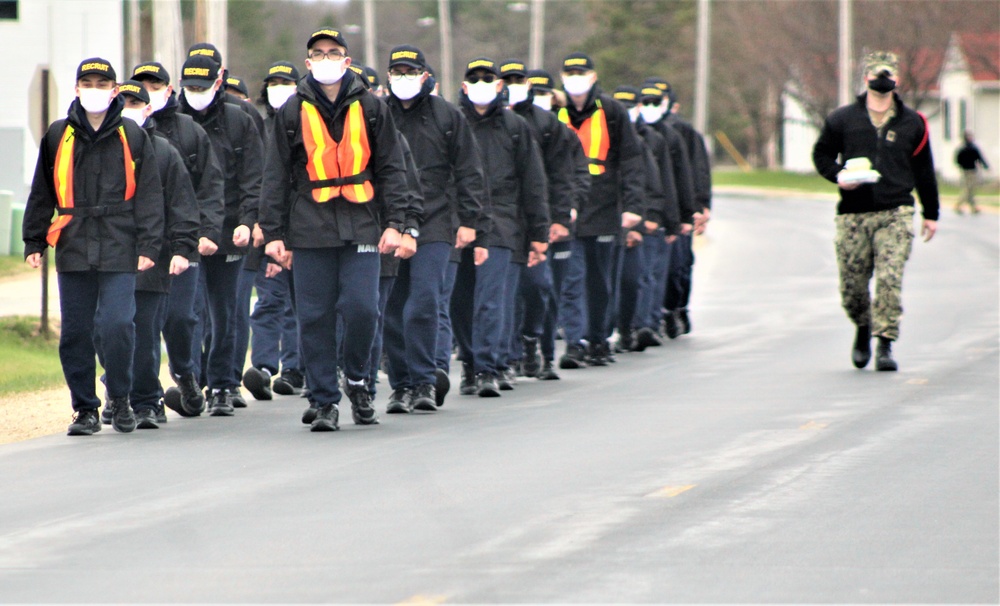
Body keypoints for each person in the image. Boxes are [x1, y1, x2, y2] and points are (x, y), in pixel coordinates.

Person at [259, 27, 410, 432]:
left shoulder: (374, 107)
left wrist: (397, 224)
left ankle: (358, 379)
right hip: (309, 226)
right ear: (308, 63)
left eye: (334, 52)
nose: (327, 59)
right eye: (319, 53)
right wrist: (273, 233)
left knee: (363, 308)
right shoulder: (291, 110)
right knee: (314, 317)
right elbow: (274, 176)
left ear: (347, 60)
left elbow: (393, 169)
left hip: (362, 223)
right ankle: (324, 400)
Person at [22, 58, 164, 436]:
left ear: (115, 90)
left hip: (121, 241)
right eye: (88, 82)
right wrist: (34, 239)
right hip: (74, 241)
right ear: (76, 88)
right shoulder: (58, 135)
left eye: (102, 83)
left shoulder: (133, 136)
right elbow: (42, 191)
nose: (94, 89)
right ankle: (84, 408)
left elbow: (150, 195)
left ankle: (119, 396)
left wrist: (150, 244)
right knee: (76, 333)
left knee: (117, 324)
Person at [813, 51, 939, 372]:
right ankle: (863, 326)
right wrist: (839, 175)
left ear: (896, 79)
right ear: (866, 77)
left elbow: (924, 170)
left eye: (888, 74)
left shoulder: (913, 122)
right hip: (853, 214)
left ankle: (885, 343)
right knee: (852, 286)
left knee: (889, 278)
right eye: (876, 74)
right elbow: (822, 154)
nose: (881, 80)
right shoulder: (844, 119)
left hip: (895, 211)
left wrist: (931, 213)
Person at [381, 45, 487, 411]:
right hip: (389, 222)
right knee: (393, 308)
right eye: (397, 72)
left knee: (423, 303)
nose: (403, 78)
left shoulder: (447, 115)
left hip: (436, 221)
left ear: (426, 75)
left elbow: (469, 170)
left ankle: (425, 381)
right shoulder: (377, 113)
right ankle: (401, 384)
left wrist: (470, 220)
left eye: (411, 71)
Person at [101, 80, 199, 429]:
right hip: (106, 254)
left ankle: (145, 400)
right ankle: (117, 391)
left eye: (135, 103)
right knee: (107, 330)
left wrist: (183, 248)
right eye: (122, 101)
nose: (128, 109)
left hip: (151, 254)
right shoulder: (99, 148)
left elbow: (182, 206)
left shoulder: (164, 152)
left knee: (142, 332)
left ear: (148, 109)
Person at [130, 61, 225, 418]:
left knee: (183, 319)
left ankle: (186, 372)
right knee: (141, 323)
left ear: (169, 91)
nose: (147, 92)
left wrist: (204, 233)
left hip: (182, 242)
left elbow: (208, 187)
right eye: (141, 87)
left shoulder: (188, 132)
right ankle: (141, 395)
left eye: (155, 85)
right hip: (140, 246)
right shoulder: (119, 136)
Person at [453, 56, 549, 397]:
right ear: (464, 86)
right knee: (460, 300)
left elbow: (533, 182)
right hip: (458, 224)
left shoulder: (514, 127)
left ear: (499, 86)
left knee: (492, 299)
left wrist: (539, 233)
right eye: (473, 78)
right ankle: (469, 360)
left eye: (487, 78)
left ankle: (489, 367)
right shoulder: (453, 123)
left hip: (503, 224)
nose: (481, 84)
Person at [178, 53, 263, 415]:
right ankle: (191, 379)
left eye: (203, 86)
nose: (196, 93)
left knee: (225, 312)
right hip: (185, 232)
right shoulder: (172, 121)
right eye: (190, 87)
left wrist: (248, 220)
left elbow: (253, 177)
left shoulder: (240, 119)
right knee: (185, 313)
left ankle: (224, 384)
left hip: (230, 229)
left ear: (219, 80)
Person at [557, 52, 646, 366]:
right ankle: (574, 341)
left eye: (581, 72)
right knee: (571, 277)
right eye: (570, 72)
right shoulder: (556, 111)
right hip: (567, 207)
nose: (576, 77)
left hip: (605, 207)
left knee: (600, 279)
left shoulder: (611, 111)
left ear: (593, 77)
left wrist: (633, 206)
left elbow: (632, 160)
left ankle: (598, 338)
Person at [500, 60, 574, 381]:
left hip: (535, 217)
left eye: (519, 79)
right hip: (501, 218)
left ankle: (533, 339)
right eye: (507, 79)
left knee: (538, 286)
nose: (513, 84)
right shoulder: (483, 121)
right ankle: (510, 355)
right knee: (504, 291)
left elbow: (561, 176)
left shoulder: (546, 123)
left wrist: (558, 218)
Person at [241, 61, 306, 402]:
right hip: (268, 233)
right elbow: (258, 183)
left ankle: (296, 368)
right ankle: (263, 368)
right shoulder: (259, 128)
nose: (279, 88)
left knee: (300, 304)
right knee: (269, 301)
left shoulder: (308, 127)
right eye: (274, 82)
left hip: (305, 232)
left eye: (287, 82)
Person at [955, 131, 989, 214]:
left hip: (972, 170)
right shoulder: (964, 148)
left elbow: (979, 158)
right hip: (966, 171)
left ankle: (973, 207)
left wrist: (985, 165)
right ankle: (958, 205)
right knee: (968, 189)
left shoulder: (970, 148)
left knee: (970, 189)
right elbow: (957, 160)